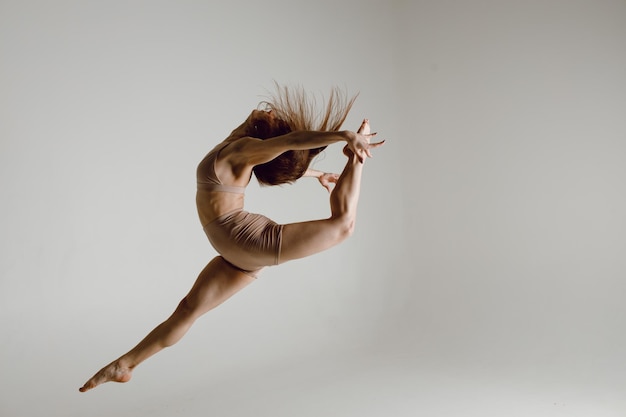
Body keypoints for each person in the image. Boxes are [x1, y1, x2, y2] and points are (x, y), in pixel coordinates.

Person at [78, 85, 384, 392]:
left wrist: (346, 136)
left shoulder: (243, 148)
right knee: (187, 309)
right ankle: (124, 365)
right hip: (236, 250)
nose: (269, 111)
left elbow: (290, 141)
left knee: (344, 225)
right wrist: (316, 174)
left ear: (263, 130)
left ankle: (356, 156)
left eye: (270, 115)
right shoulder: (239, 148)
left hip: (245, 240)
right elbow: (282, 146)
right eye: (270, 112)